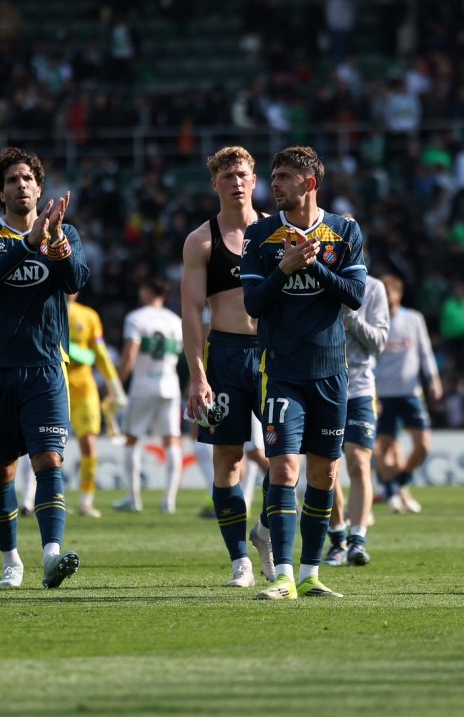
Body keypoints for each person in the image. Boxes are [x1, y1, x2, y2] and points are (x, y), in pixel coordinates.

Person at [241, 145, 367, 600]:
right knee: (283, 469)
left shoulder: (344, 231)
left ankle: (312, 573)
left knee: (325, 476)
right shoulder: (260, 235)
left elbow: (354, 294)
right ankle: (283, 577)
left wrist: (314, 268)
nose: (273, 184)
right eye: (273, 176)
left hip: (331, 371)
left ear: (309, 183)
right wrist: (286, 268)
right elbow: (253, 303)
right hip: (281, 370)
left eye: (285, 177)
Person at [0, 147, 87, 589]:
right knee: (2, 470)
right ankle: (11, 561)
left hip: (46, 367)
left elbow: (77, 280)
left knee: (49, 460)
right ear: (1, 192)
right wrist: (29, 243)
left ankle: (52, 555)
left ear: (39, 187)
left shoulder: (65, 231)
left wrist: (57, 247)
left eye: (28, 179)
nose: (21, 185)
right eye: (12, 180)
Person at [180, 145, 275, 587]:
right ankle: (240, 561)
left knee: (286, 459)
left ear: (255, 180)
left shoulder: (278, 233)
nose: (236, 181)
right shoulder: (202, 240)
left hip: (275, 354)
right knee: (229, 462)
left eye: (242, 174)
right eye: (227, 175)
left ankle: (265, 531)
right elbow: (192, 312)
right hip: (225, 355)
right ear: (214, 184)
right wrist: (197, 375)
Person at [324, 271, 389, 567]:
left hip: (360, 389)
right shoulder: (317, 281)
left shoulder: (374, 288)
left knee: (359, 461)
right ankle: (337, 538)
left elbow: (379, 341)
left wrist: (352, 318)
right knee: (327, 467)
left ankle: (358, 540)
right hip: (323, 385)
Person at [113, 278, 185, 515]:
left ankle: (133, 498)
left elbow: (130, 355)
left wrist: (116, 383)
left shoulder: (136, 318)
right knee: (172, 440)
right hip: (170, 384)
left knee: (132, 439)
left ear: (146, 291)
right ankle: (170, 500)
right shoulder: (175, 320)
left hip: (143, 385)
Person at [374, 273, 442, 515]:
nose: (385, 295)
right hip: (383, 394)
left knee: (422, 446)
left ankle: (395, 486)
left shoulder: (413, 319)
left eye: (389, 291)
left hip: (411, 392)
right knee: (385, 449)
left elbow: (425, 352)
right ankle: (396, 494)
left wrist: (434, 380)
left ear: (398, 293)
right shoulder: (375, 320)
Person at [54, 291, 124, 518]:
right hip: (55, 383)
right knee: (49, 447)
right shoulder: (46, 308)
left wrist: (115, 386)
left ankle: (86, 501)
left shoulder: (89, 316)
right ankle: (45, 499)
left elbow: (99, 354)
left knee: (89, 443)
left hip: (84, 386)